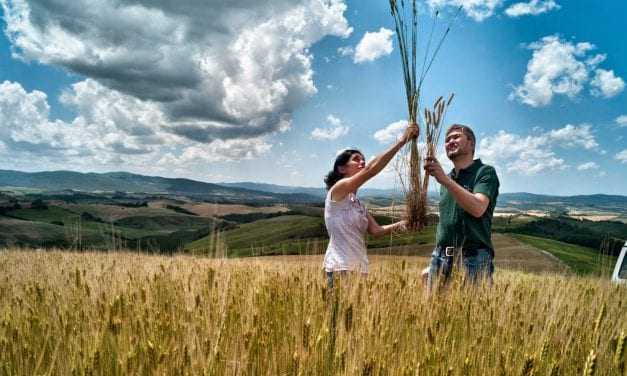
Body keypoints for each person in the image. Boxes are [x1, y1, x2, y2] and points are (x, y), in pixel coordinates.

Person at [323, 124, 418, 288]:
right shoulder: (337, 191)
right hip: (340, 268)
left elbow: (376, 231)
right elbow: (370, 170)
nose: (362, 161)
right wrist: (402, 141)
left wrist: (404, 224)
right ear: (341, 168)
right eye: (356, 159)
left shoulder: (357, 203)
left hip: (360, 269)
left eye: (363, 159)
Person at [423, 124, 499, 290]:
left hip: (474, 257)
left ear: (471, 143)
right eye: (447, 139)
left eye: (456, 137)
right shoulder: (447, 178)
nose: (450, 141)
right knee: (433, 312)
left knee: (472, 314)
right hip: (441, 256)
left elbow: (478, 208)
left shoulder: (484, 172)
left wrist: (446, 181)